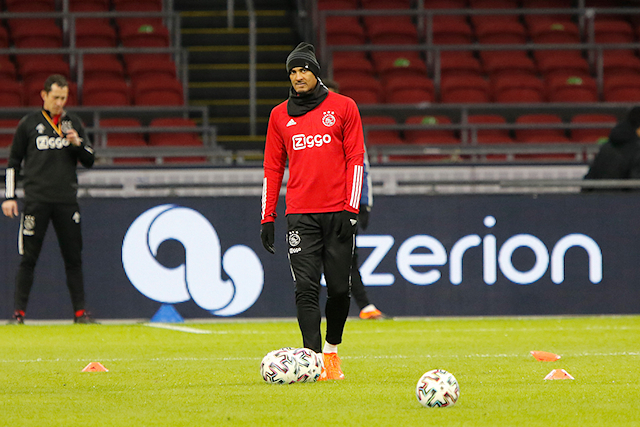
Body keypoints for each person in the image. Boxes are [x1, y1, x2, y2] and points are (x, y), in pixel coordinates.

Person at [260, 43, 364, 380]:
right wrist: (268, 216)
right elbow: (272, 169)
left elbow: (356, 159)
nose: (298, 76)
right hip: (300, 215)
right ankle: (314, 359)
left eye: (303, 69)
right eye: (292, 72)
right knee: (305, 288)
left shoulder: (344, 107)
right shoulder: (279, 115)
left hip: (338, 213)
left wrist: (351, 208)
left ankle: (331, 350)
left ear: (315, 73)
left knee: (339, 290)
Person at [2, 74, 97, 324]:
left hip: (66, 200)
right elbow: (13, 163)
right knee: (28, 258)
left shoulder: (72, 123)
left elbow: (90, 159)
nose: (59, 103)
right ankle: (18, 314)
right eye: (55, 97)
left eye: (64, 98)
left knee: (73, 258)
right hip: (37, 200)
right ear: (44, 95)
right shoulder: (28, 124)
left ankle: (80, 314)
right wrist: (9, 196)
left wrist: (77, 143)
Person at [323, 78, 386, 320]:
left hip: (344, 205)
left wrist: (364, 202)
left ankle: (365, 306)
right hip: (315, 204)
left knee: (347, 257)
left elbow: (362, 166)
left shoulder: (350, 127)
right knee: (313, 258)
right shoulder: (307, 126)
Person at [583, 106, 640, 190]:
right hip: (622, 198)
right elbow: (635, 187)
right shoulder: (637, 149)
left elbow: (590, 178)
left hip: (596, 196)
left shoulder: (606, 146)